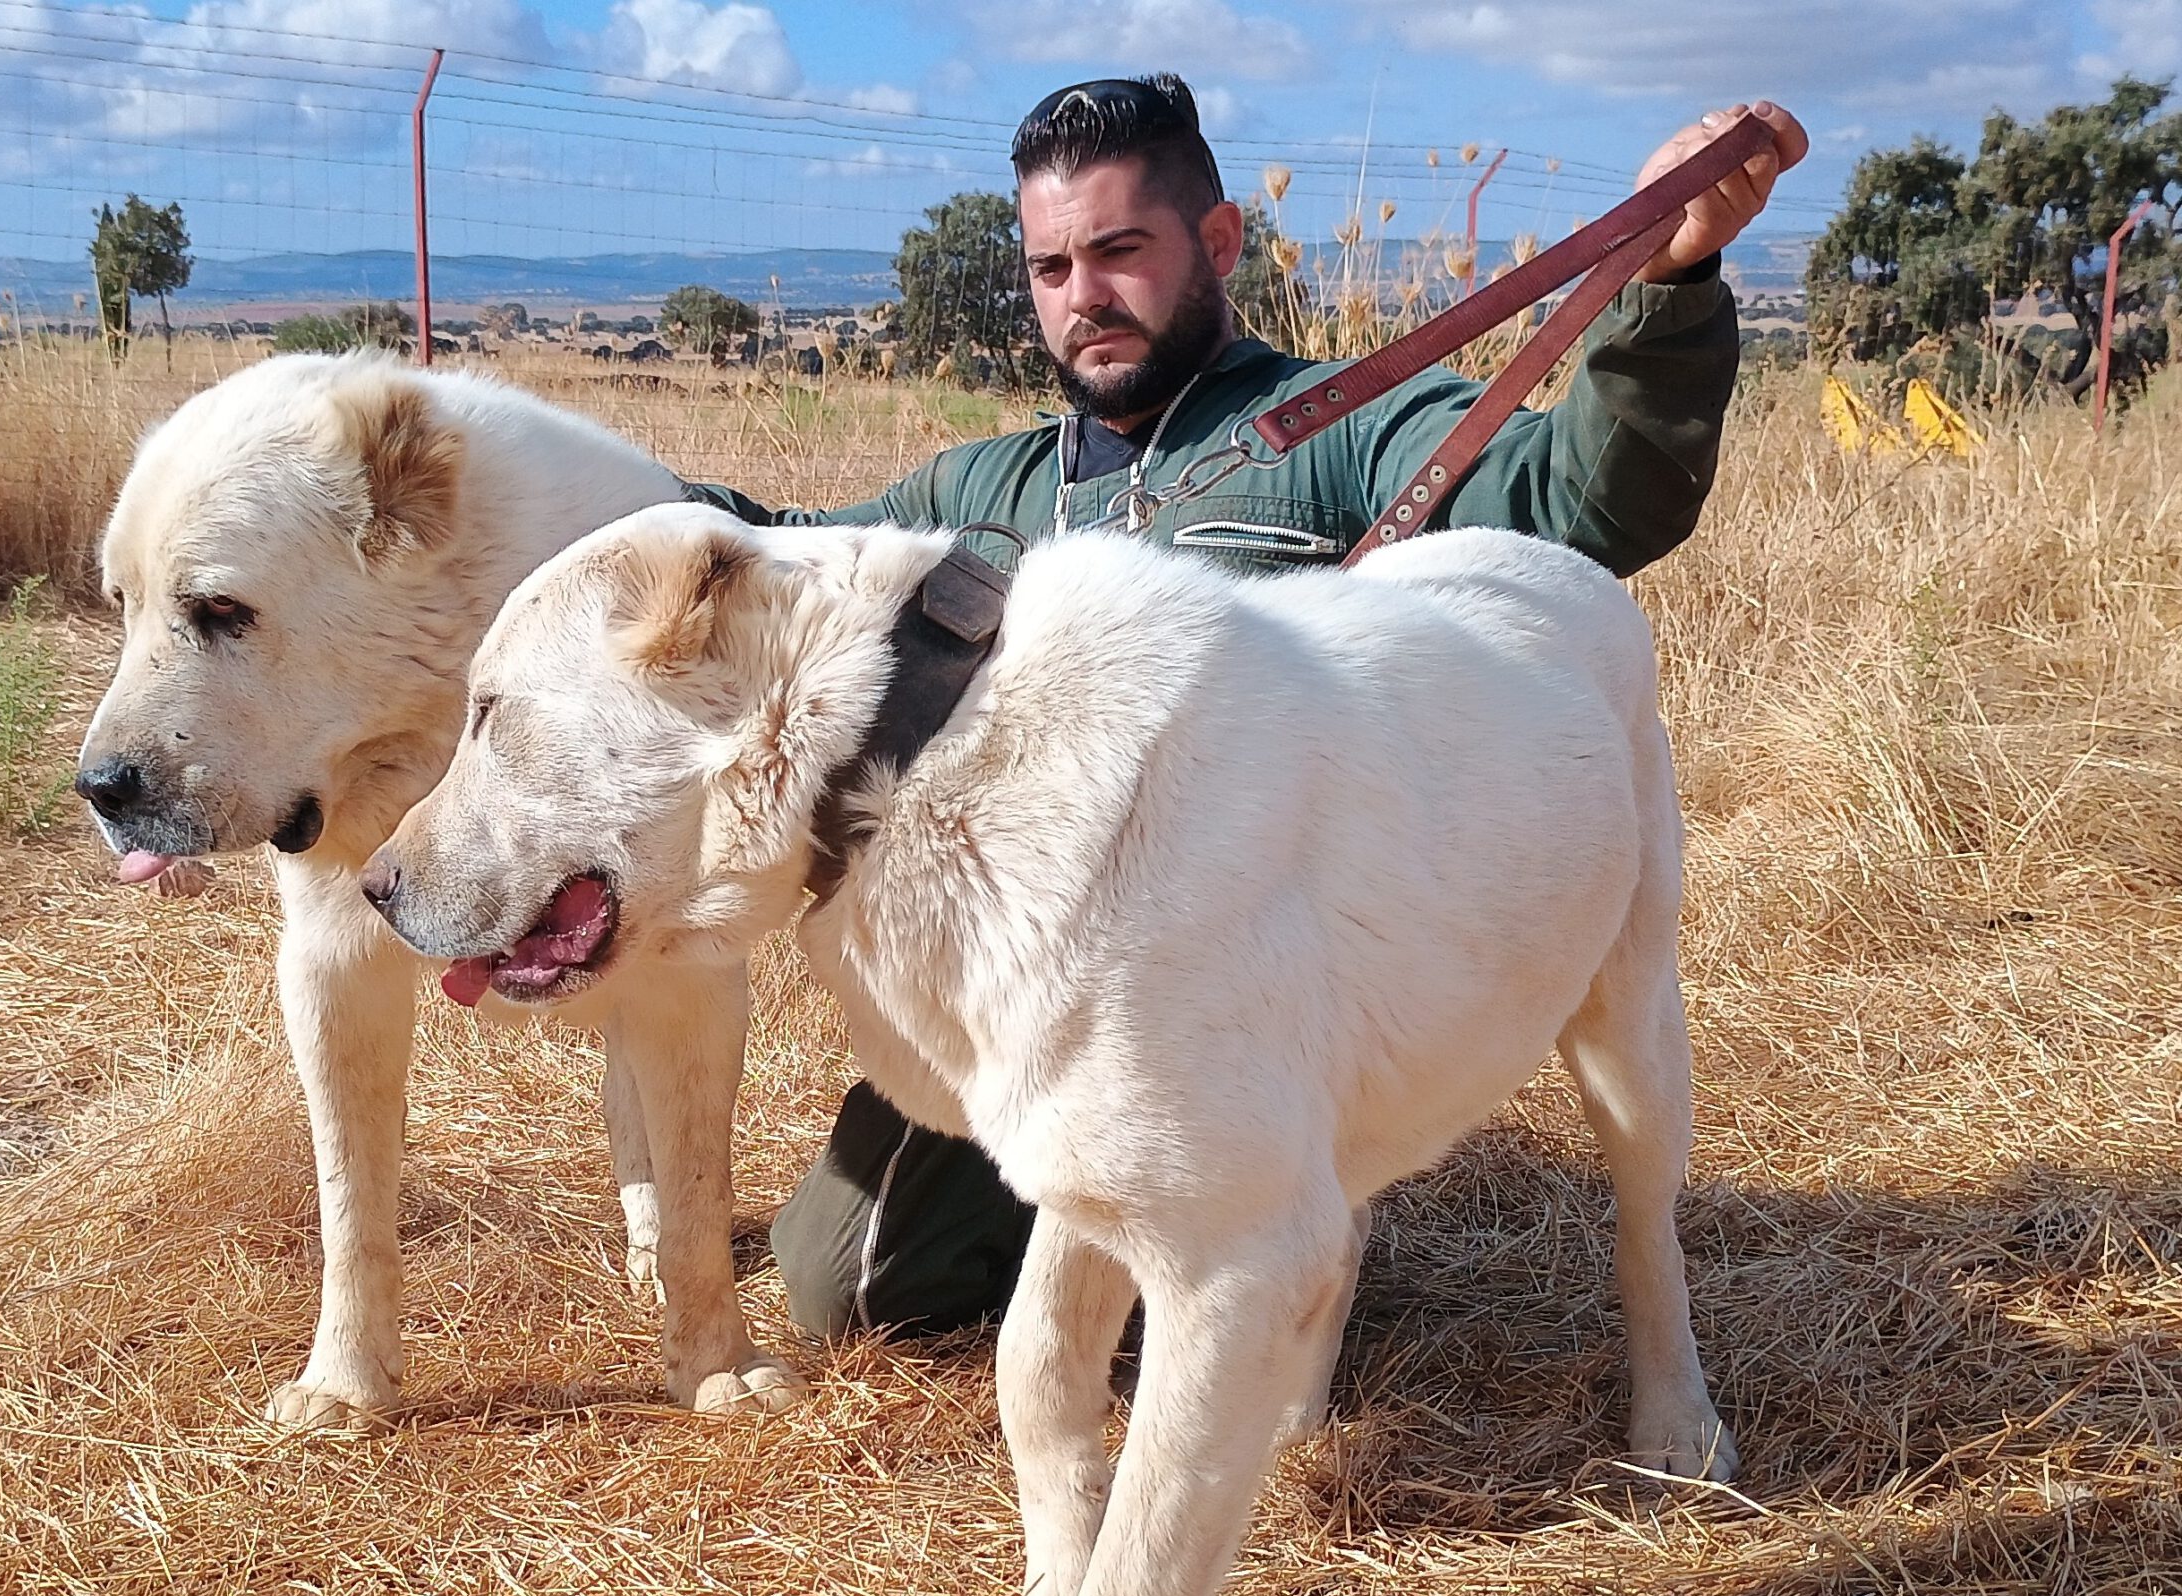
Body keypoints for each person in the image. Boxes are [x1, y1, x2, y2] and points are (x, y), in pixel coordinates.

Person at [688, 73, 1808, 1343]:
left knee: (1206, 1273)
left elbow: (1576, 501)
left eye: (1119, 250)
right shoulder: (982, 492)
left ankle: (1268, 1228)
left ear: (1217, 242)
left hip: (1262, 986)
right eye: (1051, 266)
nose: (1082, 295)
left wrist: (1664, 282)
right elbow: (777, 556)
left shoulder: (1349, 427)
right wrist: (582, 508)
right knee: (847, 1281)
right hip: (1037, 991)